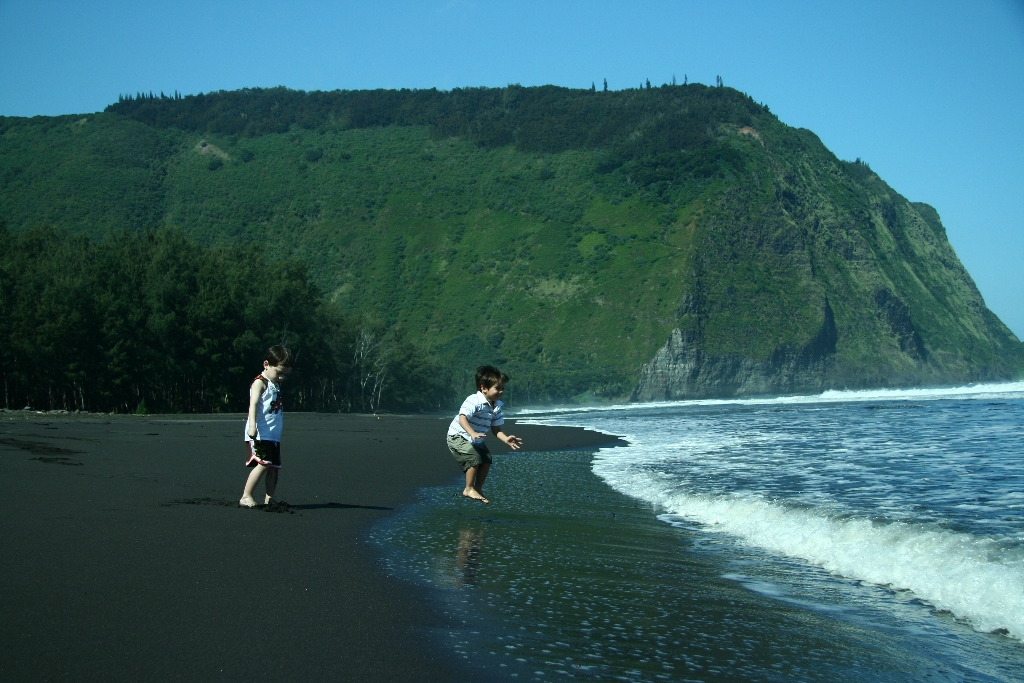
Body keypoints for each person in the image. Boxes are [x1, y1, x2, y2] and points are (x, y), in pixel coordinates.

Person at [447, 365, 523, 504]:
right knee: (474, 458)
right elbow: (462, 418)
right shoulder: (474, 400)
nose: (501, 391)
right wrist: (472, 432)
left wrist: (506, 439)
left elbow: (496, 429)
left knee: (486, 459)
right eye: (497, 388)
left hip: (475, 438)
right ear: (484, 388)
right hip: (458, 435)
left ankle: (478, 488)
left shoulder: (497, 405)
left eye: (503, 388)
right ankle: (468, 488)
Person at [239, 345, 293, 508]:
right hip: (259, 433)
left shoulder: (274, 384)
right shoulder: (259, 383)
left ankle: (270, 498)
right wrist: (252, 426)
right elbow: (253, 404)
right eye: (279, 372)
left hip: (273, 435)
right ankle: (246, 496)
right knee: (263, 463)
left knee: (274, 467)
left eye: (285, 375)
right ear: (266, 364)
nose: (282, 377)